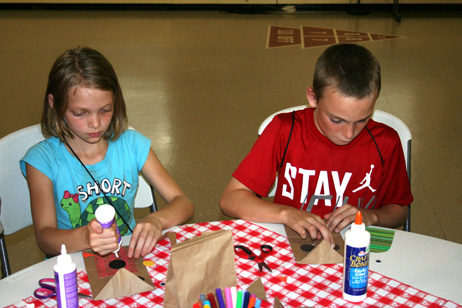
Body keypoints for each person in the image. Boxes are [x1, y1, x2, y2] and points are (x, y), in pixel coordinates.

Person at [220, 43, 413, 246]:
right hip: (292, 244)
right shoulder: (284, 130)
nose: (348, 134)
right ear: (312, 98)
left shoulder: (386, 142)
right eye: (336, 120)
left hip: (357, 249)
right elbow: (230, 199)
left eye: (362, 120)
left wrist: (372, 217)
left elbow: (399, 211)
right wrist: (286, 214)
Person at [20, 47, 194, 258]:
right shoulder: (42, 160)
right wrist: (86, 237)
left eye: (105, 110)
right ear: (54, 104)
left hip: (125, 260)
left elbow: (183, 203)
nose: (95, 123)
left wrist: (156, 220)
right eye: (80, 113)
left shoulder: (133, 145)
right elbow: (45, 239)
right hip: (72, 268)